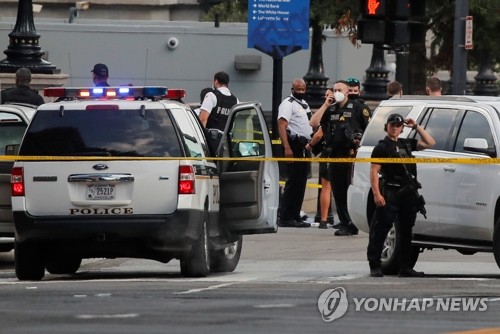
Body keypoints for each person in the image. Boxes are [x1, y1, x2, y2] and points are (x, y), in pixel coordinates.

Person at [367, 113, 435, 278]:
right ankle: (375, 265)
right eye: (392, 125)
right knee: (381, 229)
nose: (395, 128)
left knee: (406, 230)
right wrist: (376, 194)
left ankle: (405, 267)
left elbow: (430, 143)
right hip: (390, 190)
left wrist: (416, 126)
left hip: (408, 192)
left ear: (402, 128)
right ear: (387, 126)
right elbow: (374, 171)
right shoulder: (381, 147)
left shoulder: (407, 144)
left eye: (398, 126)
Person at [307, 80, 371, 236]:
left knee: (350, 189)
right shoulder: (331, 109)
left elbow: (368, 130)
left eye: (339, 89)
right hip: (335, 155)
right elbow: (314, 123)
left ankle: (352, 222)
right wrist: (325, 105)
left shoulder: (358, 108)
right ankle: (344, 222)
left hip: (351, 156)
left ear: (347, 92)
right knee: (338, 190)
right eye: (334, 90)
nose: (337, 92)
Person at [278, 78, 312, 228]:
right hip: (293, 145)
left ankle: (295, 214)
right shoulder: (288, 104)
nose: (300, 92)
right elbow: (282, 125)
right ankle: (286, 216)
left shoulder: (304, 105)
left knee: (301, 182)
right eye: (297, 90)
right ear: (292, 89)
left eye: (302, 89)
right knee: (292, 181)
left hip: (304, 146)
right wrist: (286, 147)